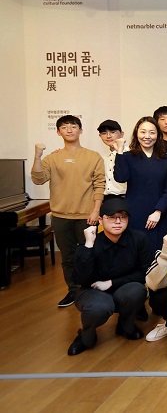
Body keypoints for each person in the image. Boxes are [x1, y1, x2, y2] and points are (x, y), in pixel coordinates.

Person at [31, 115, 105, 308]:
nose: (69, 130)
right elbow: (38, 179)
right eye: (64, 127)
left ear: (81, 130)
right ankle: (73, 290)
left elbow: (99, 185)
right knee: (68, 257)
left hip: (86, 216)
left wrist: (96, 210)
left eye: (73, 126)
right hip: (60, 216)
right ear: (58, 132)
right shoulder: (52, 158)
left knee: (90, 254)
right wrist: (37, 156)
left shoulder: (93, 156)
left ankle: (90, 289)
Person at [68, 197, 150, 355]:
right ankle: (86, 336)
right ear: (100, 220)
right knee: (99, 307)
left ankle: (126, 325)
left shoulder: (139, 239)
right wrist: (88, 245)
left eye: (122, 217)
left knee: (137, 291)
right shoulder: (90, 242)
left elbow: (144, 272)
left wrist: (111, 282)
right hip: (93, 291)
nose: (117, 222)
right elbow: (79, 279)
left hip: (123, 287)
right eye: (112, 217)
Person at [114, 116, 167, 259]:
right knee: (135, 253)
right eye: (143, 132)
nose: (147, 136)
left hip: (160, 214)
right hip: (135, 213)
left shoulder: (166, 160)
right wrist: (119, 152)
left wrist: (158, 211)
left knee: (159, 254)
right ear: (136, 134)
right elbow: (120, 177)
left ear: (158, 135)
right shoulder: (128, 157)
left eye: (152, 132)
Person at [97, 119, 127, 200]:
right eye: (104, 133)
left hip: (126, 199)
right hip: (107, 199)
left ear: (122, 134)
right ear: (100, 136)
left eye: (113, 132)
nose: (108, 136)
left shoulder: (131, 154)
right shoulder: (103, 158)